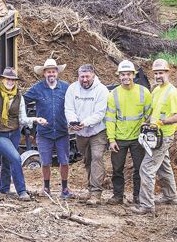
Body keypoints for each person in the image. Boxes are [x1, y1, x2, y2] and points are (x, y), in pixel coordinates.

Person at [131, 58, 177, 214]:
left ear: (167, 72)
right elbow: (153, 111)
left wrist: (162, 122)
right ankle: (170, 196)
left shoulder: (173, 92)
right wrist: (147, 122)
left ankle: (146, 205)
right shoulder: (156, 90)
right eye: (156, 73)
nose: (158, 76)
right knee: (163, 166)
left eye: (161, 73)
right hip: (154, 135)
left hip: (163, 137)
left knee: (146, 169)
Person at [0, 67, 48, 201]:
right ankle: (21, 190)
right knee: (15, 158)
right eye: (8, 79)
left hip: (13, 133)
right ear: (2, 79)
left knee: (7, 161)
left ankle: (4, 190)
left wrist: (35, 119)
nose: (10, 82)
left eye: (13, 80)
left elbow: (22, 119)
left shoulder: (18, 96)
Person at [24, 58, 73, 199]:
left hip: (62, 131)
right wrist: (29, 119)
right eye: (48, 72)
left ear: (57, 73)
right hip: (44, 132)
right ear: (44, 73)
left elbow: (75, 103)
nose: (51, 74)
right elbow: (22, 101)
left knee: (64, 161)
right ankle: (46, 187)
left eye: (53, 71)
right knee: (45, 162)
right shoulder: (37, 88)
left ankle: (64, 188)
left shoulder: (65, 87)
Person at [105, 60, 151, 205]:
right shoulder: (114, 94)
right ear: (119, 76)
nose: (126, 77)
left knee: (139, 169)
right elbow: (110, 118)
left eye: (128, 74)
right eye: (123, 74)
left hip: (138, 138)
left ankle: (137, 196)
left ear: (133, 75)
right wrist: (111, 139)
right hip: (119, 137)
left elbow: (150, 113)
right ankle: (118, 195)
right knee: (117, 168)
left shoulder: (144, 92)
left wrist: (147, 125)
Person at [64, 64, 109, 205]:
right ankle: (91, 189)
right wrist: (72, 121)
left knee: (96, 157)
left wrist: (85, 122)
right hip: (80, 132)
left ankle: (96, 193)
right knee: (87, 159)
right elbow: (69, 108)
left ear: (93, 76)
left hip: (97, 131)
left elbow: (100, 113)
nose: (84, 80)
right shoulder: (72, 89)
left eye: (87, 76)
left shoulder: (102, 90)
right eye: (82, 77)